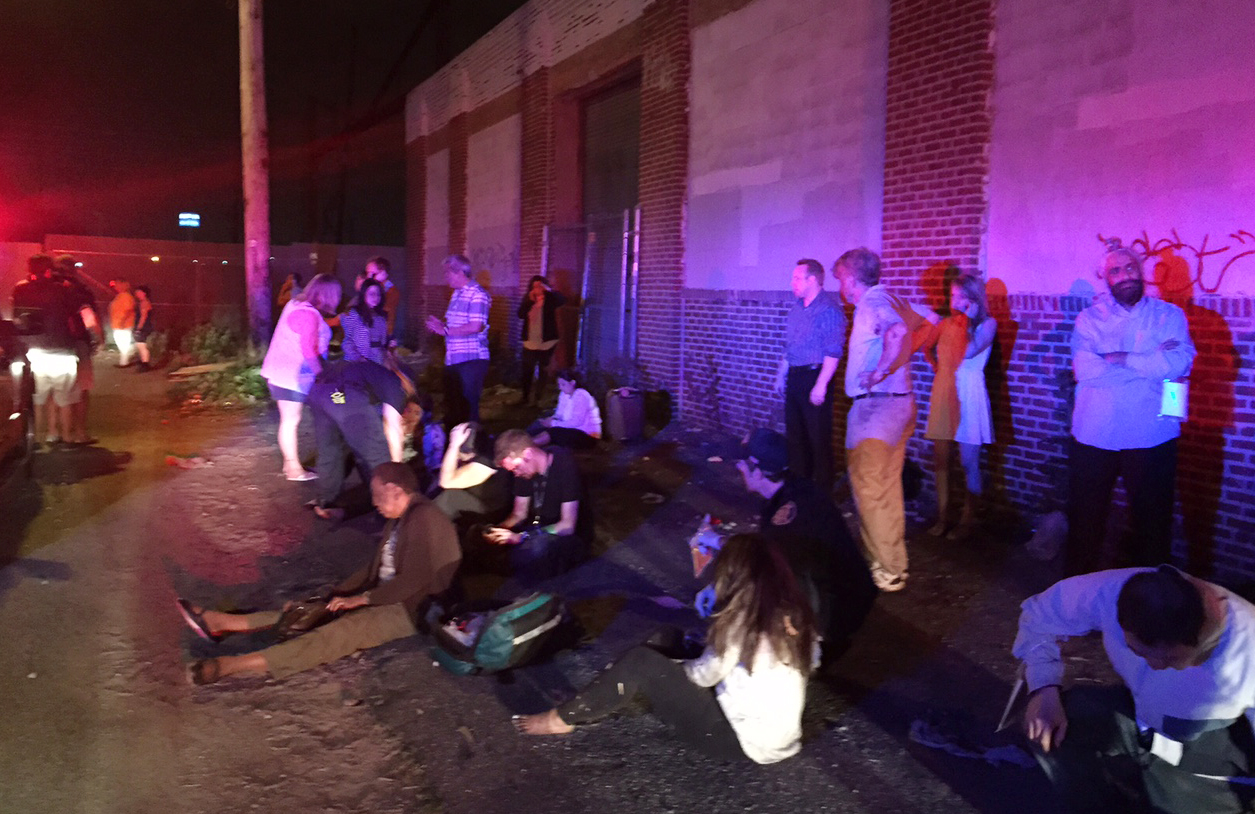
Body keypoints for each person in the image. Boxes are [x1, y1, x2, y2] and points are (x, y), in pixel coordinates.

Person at [515, 533, 818, 764]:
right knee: (671, 639)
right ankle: (603, 694)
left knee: (641, 662)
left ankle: (561, 719)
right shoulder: (795, 613)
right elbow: (808, 663)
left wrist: (666, 669)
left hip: (737, 742)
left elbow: (702, 677)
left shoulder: (742, 622)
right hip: (781, 739)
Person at [180, 463, 462, 685]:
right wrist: (337, 594)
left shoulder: (424, 518)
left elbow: (414, 581)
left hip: (413, 608)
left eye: (376, 493)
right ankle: (225, 622)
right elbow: (375, 568)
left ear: (393, 488)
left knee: (339, 633)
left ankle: (232, 666)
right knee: (315, 607)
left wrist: (360, 600)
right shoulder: (401, 518)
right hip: (390, 595)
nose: (373, 500)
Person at [1014, 565, 1255, 813]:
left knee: (1173, 800)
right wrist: (1044, 688)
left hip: (1211, 742)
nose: (1155, 666)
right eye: (1139, 652)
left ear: (1203, 633)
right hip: (1141, 717)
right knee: (1050, 729)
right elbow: (1039, 615)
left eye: (1171, 659)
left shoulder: (1249, 645)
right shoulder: (1109, 593)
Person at [1066, 240, 1196, 576]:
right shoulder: (1089, 319)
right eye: (1115, 271)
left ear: (1141, 273)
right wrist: (1153, 362)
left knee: (1153, 528)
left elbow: (1180, 364)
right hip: (1095, 435)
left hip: (1153, 434)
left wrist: (1118, 359)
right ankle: (1076, 600)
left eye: (1130, 268)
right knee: (1085, 524)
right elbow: (1085, 371)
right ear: (1105, 279)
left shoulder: (1169, 315)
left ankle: (1151, 611)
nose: (1124, 275)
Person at [834, 248, 932, 593]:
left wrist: (880, 371)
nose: (841, 285)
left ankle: (887, 571)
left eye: (841, 278)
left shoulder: (871, 304)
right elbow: (931, 321)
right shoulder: (894, 296)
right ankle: (893, 565)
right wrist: (900, 359)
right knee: (887, 490)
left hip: (876, 411)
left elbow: (894, 333)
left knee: (871, 492)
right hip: (901, 405)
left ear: (851, 278)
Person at [732, 428, 876, 661]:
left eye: (744, 464)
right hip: (850, 595)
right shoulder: (795, 488)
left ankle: (813, 643)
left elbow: (785, 570)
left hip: (837, 612)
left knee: (752, 593)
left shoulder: (787, 517)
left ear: (758, 472)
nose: (739, 468)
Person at [921, 273, 996, 539]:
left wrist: (966, 320)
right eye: (953, 296)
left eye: (962, 296)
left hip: (969, 392)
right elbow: (926, 347)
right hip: (945, 390)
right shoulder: (944, 324)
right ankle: (943, 517)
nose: (956, 301)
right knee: (941, 460)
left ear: (974, 298)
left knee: (968, 461)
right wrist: (938, 369)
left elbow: (970, 350)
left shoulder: (987, 324)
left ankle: (968, 519)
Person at [472, 429, 586, 584]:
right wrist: (500, 529)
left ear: (528, 454)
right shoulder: (524, 472)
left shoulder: (564, 464)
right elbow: (519, 513)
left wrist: (522, 537)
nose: (516, 474)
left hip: (563, 535)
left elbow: (567, 525)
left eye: (516, 468)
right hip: (536, 529)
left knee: (535, 551)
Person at [260, 274, 342, 481]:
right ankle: (292, 468)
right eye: (336, 294)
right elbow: (308, 350)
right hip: (290, 375)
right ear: (327, 295)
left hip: (286, 372)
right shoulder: (308, 314)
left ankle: (294, 465)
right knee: (291, 419)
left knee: (292, 419)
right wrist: (322, 375)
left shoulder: (298, 304)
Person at [773, 259, 845, 494]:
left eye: (797, 278)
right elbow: (790, 346)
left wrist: (821, 385)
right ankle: (798, 488)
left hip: (815, 376)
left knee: (817, 437)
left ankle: (822, 492)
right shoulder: (796, 308)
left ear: (812, 280)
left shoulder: (828, 310)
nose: (792, 283)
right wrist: (781, 374)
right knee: (796, 435)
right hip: (795, 375)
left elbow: (833, 351)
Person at [306, 358, 408, 519]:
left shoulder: (372, 371)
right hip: (343, 394)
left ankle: (327, 501)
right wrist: (396, 468)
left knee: (329, 452)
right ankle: (388, 509)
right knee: (377, 454)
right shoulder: (397, 386)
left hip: (318, 391)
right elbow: (393, 428)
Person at [11, 254, 83, 444]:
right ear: (49, 270)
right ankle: (66, 438)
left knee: (37, 400)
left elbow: (18, 318)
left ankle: (36, 439)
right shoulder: (62, 290)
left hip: (34, 352)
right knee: (64, 399)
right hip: (62, 351)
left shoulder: (20, 289)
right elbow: (74, 312)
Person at [426, 254, 490, 430]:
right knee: (453, 406)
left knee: (468, 407)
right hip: (454, 359)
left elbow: (475, 326)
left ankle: (473, 448)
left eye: (448, 273)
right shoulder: (456, 294)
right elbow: (457, 326)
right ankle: (454, 447)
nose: (445, 277)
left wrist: (445, 330)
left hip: (471, 360)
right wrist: (442, 325)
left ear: (461, 272)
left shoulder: (477, 294)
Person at [52, 254, 102, 443]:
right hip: (78, 343)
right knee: (81, 389)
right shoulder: (79, 289)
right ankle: (79, 433)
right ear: (74, 269)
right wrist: (98, 338)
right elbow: (88, 317)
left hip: (52, 345)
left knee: (57, 390)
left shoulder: (48, 287)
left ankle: (55, 432)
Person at [430, 422, 511, 526]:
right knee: (436, 480)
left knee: (449, 497)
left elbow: (446, 482)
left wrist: (453, 445)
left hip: (489, 510)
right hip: (473, 497)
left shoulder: (485, 463)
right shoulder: (480, 448)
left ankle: (429, 530)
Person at [516, 275, 565, 405]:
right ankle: (525, 397)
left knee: (543, 369)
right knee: (527, 370)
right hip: (530, 341)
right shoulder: (528, 298)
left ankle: (538, 398)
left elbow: (562, 300)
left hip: (547, 342)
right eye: (535, 286)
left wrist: (549, 290)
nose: (537, 289)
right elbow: (520, 314)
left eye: (540, 286)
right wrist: (529, 300)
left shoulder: (550, 298)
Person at [528, 369, 601, 449]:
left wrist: (554, 423)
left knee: (554, 433)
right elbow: (559, 413)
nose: (560, 387)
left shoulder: (581, 396)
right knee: (539, 425)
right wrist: (551, 419)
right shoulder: (564, 394)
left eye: (563, 384)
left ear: (572, 383)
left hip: (586, 434)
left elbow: (576, 422)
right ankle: (524, 440)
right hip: (569, 428)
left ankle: (525, 447)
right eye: (559, 384)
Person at [340, 278, 390, 365]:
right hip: (358, 362)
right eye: (372, 294)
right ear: (364, 295)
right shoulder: (354, 314)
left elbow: (383, 342)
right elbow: (348, 341)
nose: (376, 297)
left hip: (377, 361)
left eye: (378, 294)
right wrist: (358, 358)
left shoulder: (381, 317)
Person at [366, 256, 401, 337]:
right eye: (367, 273)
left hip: (381, 336)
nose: (368, 277)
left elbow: (379, 311)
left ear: (383, 273)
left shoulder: (391, 291)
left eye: (373, 274)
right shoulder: (372, 287)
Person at [107, 279, 137, 367]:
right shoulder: (121, 296)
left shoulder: (126, 296)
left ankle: (124, 361)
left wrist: (122, 321)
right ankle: (125, 360)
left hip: (123, 325)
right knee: (121, 343)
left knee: (123, 343)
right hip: (118, 324)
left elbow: (127, 310)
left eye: (117, 284)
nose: (115, 287)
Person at [132, 285, 154, 372]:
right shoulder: (144, 302)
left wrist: (138, 328)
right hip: (144, 326)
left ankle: (145, 364)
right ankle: (144, 362)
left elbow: (143, 316)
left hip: (143, 327)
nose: (136, 294)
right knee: (140, 345)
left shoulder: (144, 303)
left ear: (144, 293)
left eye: (138, 292)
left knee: (142, 346)